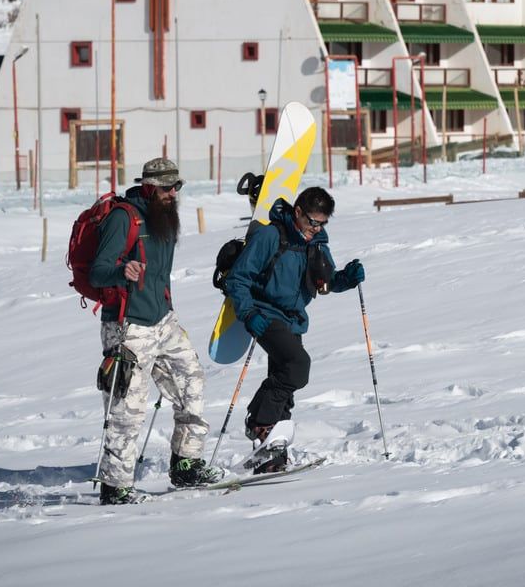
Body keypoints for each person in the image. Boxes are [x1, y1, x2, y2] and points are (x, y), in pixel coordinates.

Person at [89, 157, 218, 504]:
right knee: (127, 409)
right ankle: (115, 488)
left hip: (163, 321)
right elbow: (97, 272)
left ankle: (186, 463)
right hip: (128, 327)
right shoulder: (123, 218)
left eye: (176, 187)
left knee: (192, 381)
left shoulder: (165, 219)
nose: (172, 193)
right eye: (165, 188)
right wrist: (121, 272)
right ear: (148, 187)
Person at [223, 186, 365, 472]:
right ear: (297, 212)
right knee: (297, 365)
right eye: (312, 221)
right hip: (264, 313)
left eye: (322, 223)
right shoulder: (271, 235)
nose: (316, 228)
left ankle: (273, 455)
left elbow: (324, 281)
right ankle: (260, 423)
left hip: (294, 317)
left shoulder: (317, 242)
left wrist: (346, 279)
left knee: (285, 385)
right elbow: (238, 278)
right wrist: (248, 313)